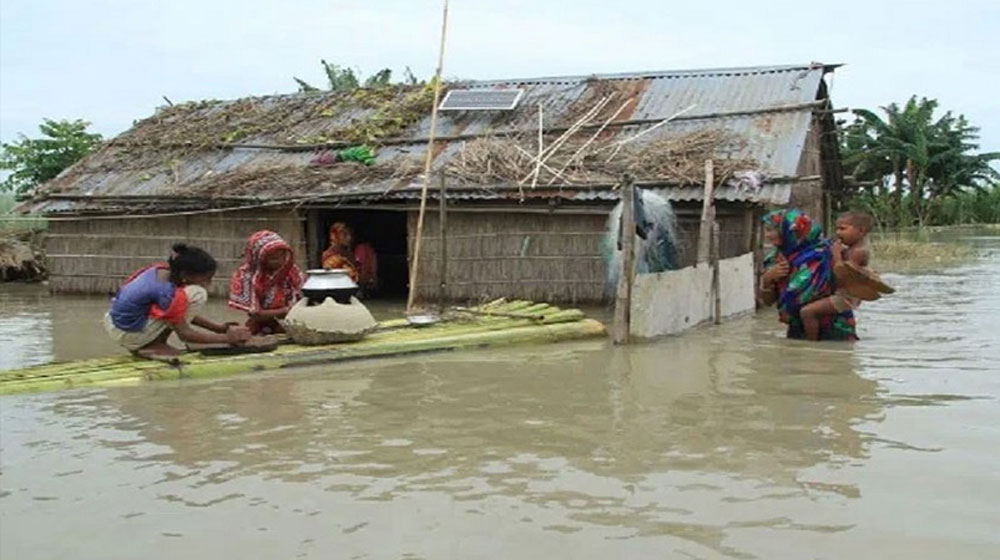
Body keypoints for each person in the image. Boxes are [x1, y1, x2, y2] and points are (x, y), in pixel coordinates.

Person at [104, 243, 252, 358]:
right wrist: (227, 338)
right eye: (206, 278)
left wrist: (217, 328)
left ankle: (150, 342)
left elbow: (176, 313)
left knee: (186, 297)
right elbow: (185, 334)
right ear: (186, 274)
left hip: (116, 325)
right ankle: (155, 345)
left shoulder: (160, 270)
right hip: (129, 334)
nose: (208, 283)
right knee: (197, 293)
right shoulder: (167, 293)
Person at [756, 208, 857, 341]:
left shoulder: (829, 252)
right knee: (800, 357)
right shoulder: (775, 259)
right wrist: (768, 279)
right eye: (766, 230)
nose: (767, 235)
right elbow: (768, 302)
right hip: (797, 328)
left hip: (835, 328)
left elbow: (850, 287)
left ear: (792, 230)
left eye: (771, 230)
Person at [798, 212, 874, 340]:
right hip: (841, 293)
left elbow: (843, 273)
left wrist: (836, 255)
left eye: (843, 229)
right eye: (837, 229)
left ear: (861, 231)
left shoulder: (859, 251)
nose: (838, 233)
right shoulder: (850, 248)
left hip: (846, 297)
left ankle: (811, 345)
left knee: (807, 312)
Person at [228, 230, 305, 334]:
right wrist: (286, 311)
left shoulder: (291, 271)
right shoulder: (245, 276)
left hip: (290, 320)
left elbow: (303, 298)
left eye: (282, 256)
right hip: (259, 322)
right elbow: (255, 314)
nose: (280, 261)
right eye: (273, 258)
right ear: (260, 258)